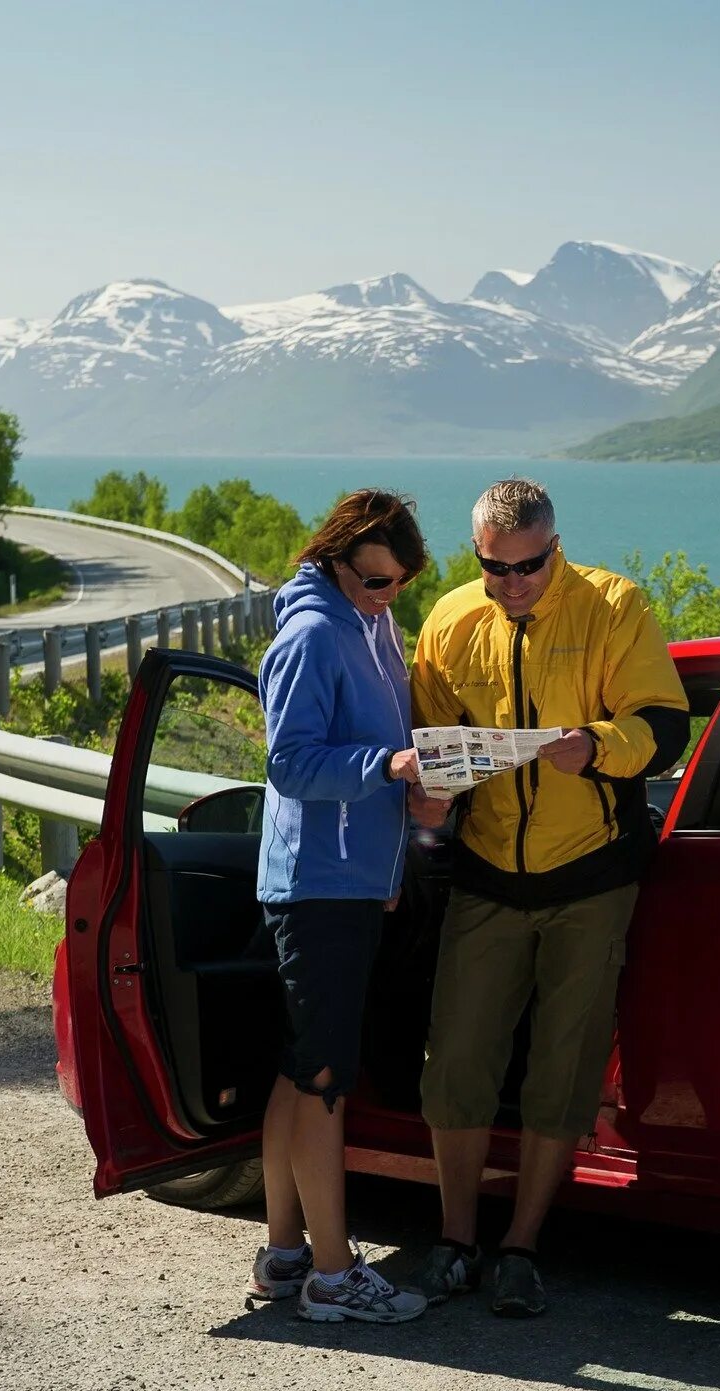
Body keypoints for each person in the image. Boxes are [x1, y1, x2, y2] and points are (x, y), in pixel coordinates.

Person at [406, 477, 690, 1318]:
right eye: (494, 568)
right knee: (455, 1063)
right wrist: (427, 795)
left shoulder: (614, 607)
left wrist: (598, 744)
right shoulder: (452, 621)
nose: (510, 584)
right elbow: (431, 746)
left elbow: (666, 726)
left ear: (554, 548)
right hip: (487, 874)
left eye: (527, 567)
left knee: (562, 1074)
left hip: (592, 877)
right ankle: (455, 1241)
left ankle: (522, 1247)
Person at [249, 489, 446, 1324]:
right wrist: (390, 769)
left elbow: (377, 758)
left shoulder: (372, 625)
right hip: (316, 889)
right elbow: (291, 765)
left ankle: (285, 1254)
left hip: (352, 882)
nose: (386, 596)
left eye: (398, 583)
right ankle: (333, 1276)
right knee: (327, 1080)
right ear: (333, 560)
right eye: (373, 582)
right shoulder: (311, 633)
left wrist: (404, 827)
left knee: (303, 1073)